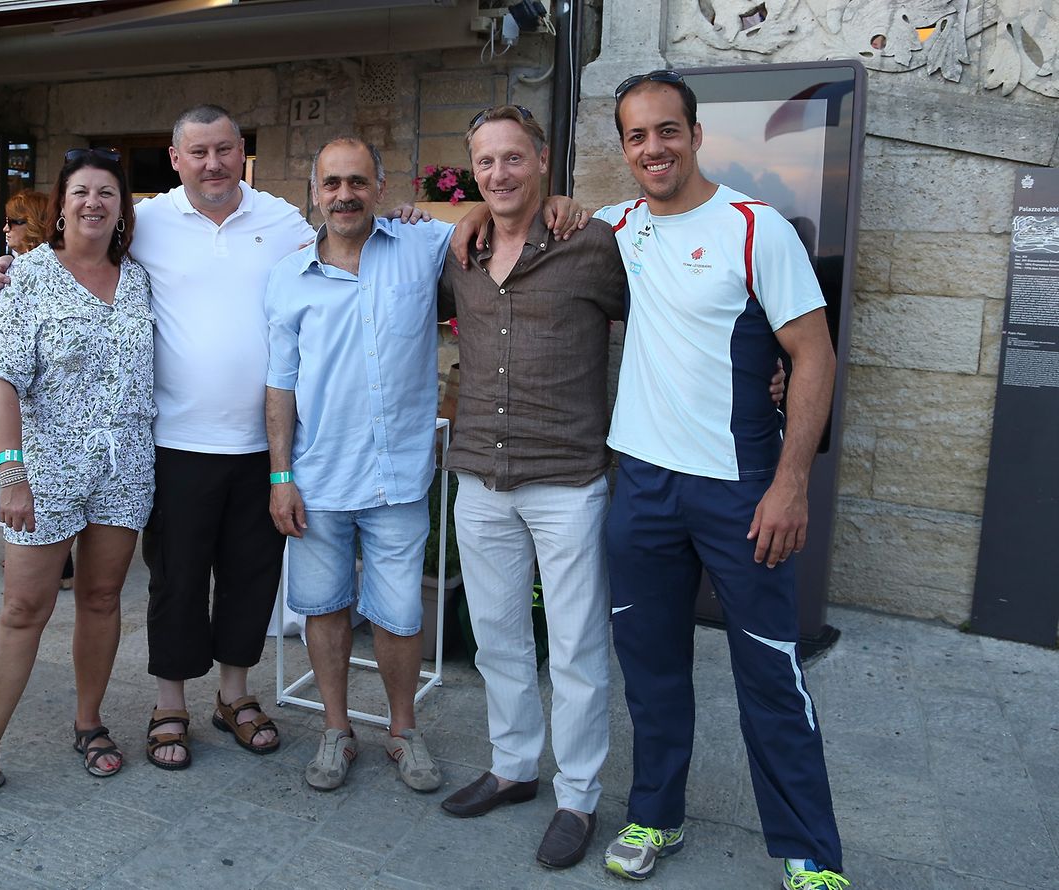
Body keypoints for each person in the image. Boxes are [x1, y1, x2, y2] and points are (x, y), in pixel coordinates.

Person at [0, 105, 315, 770]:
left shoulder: (282, 221)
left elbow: (345, 249)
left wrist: (440, 221)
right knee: (176, 580)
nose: (213, 163)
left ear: (242, 150)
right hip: (173, 443)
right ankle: (168, 705)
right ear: (174, 159)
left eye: (224, 149)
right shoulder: (152, 221)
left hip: (259, 443)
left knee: (250, 578)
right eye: (198, 152)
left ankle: (234, 696)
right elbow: (37, 306)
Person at [594, 71, 848, 890]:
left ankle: (811, 849)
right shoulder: (615, 227)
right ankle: (654, 815)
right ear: (624, 149)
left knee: (770, 668)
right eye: (637, 136)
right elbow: (519, 215)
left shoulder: (754, 228)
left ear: (696, 135)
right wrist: (452, 221)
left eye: (667, 131)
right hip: (642, 487)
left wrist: (791, 485)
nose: (653, 148)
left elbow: (813, 354)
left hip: (741, 489)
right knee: (651, 665)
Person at [0, 148, 154, 817]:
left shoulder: (138, 278)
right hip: (45, 470)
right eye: (80, 192)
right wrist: (10, 476)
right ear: (60, 204)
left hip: (124, 467)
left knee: (104, 597)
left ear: (122, 208)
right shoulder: (25, 277)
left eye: (107, 193)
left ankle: (89, 722)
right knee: (23, 608)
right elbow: (1, 380)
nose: (93, 204)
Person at [435, 105, 625, 869]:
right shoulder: (462, 251)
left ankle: (577, 796)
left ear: (542, 161)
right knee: (498, 638)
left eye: (513, 160)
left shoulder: (592, 243)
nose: (500, 174)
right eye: (486, 163)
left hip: (569, 479)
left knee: (578, 647)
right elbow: (388, 220)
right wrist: (465, 213)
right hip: (481, 475)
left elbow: (657, 324)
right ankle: (514, 767)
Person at [265, 136, 454, 794]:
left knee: (401, 614)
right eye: (332, 183)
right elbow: (279, 387)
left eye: (358, 181)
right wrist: (280, 476)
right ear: (314, 192)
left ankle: (402, 731)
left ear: (380, 186)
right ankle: (336, 730)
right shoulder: (286, 278)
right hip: (316, 479)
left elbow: (492, 216)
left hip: (398, 477)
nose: (344, 194)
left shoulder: (422, 247)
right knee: (324, 607)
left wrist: (427, 209)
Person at [0, 191, 76, 590]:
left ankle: (53, 563)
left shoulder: (32, 269)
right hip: (13, 400)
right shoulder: (7, 272)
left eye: (12, 221)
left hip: (37, 412)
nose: (6, 229)